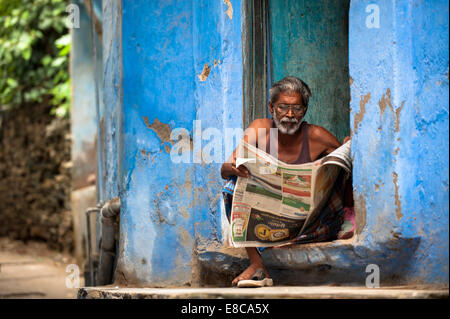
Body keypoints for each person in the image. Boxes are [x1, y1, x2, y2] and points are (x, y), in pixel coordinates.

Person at [220, 76, 354, 287]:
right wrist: (233, 168)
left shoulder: (317, 136)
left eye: (297, 109)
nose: (290, 115)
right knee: (231, 185)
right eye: (283, 107)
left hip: (305, 225)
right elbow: (226, 168)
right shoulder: (259, 129)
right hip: (268, 221)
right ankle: (257, 264)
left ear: (305, 110)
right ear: (271, 108)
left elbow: (346, 175)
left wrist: (349, 150)